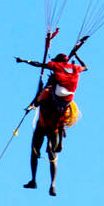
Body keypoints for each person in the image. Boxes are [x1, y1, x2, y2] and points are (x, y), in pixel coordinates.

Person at [15, 50, 88, 196]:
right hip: (63, 105)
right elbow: (85, 67)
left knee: (35, 150)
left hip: (42, 126)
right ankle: (52, 184)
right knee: (52, 155)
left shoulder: (55, 69)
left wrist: (24, 61)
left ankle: (33, 180)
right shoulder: (74, 69)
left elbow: (39, 64)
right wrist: (77, 55)